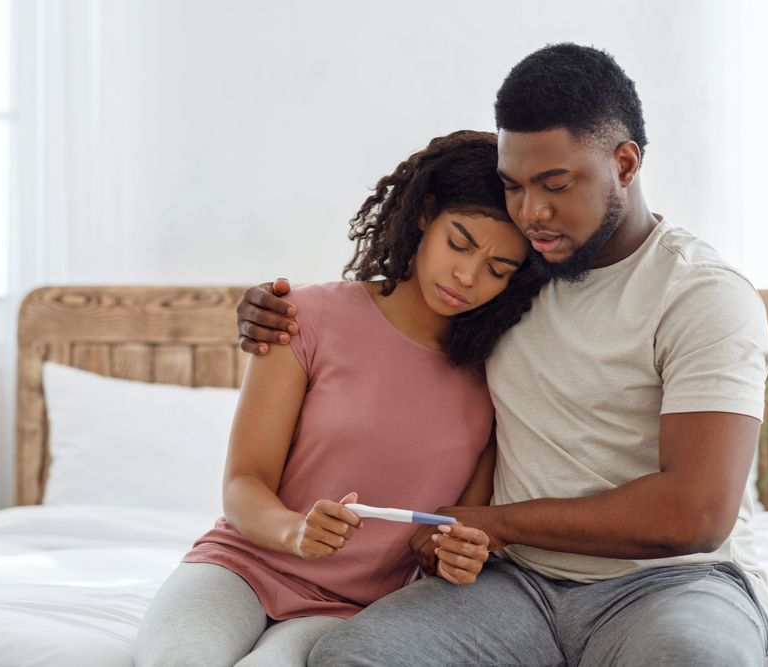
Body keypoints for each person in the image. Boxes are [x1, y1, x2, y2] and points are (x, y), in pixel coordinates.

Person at [235, 43, 768, 667]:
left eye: (555, 185)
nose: (531, 213)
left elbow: (696, 512)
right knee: (355, 655)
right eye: (514, 186)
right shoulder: (510, 275)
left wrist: (498, 523)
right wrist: (270, 310)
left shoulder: (702, 295)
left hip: (675, 583)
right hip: (515, 584)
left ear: (625, 164)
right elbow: (382, 322)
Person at [134, 130, 543, 667]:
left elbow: (443, 528)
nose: (467, 276)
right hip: (241, 567)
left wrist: (456, 552)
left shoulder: (497, 378)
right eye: (459, 243)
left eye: (497, 269)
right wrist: (295, 530)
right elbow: (243, 482)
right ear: (425, 215)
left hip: (350, 609)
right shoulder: (304, 317)